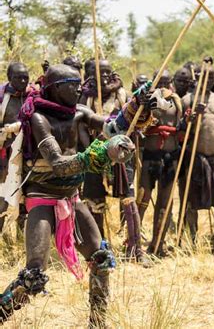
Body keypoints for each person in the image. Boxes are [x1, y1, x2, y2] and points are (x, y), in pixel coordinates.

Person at [0, 64, 157, 326]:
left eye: (79, 84)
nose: (78, 89)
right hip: (42, 197)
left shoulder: (79, 111)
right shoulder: (39, 118)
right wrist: (100, 154)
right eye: (72, 85)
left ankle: (97, 322)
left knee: (101, 258)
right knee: (34, 275)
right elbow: (59, 163)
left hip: (71, 197)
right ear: (55, 89)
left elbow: (112, 128)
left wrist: (136, 107)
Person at [79, 60, 147, 263]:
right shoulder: (85, 98)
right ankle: (99, 247)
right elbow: (81, 125)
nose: (104, 77)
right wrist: (90, 149)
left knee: (128, 199)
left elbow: (135, 120)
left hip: (121, 155)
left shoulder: (123, 95)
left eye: (108, 72)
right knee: (94, 201)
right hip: (95, 155)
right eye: (100, 72)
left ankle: (136, 249)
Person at [181, 63, 214, 254]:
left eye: (212, 76)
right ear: (198, 77)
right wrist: (193, 119)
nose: (209, 79)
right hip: (195, 159)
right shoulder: (188, 100)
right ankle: (192, 242)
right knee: (191, 202)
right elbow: (183, 132)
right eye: (205, 76)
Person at [137, 82, 182, 257]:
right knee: (142, 199)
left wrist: (190, 121)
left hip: (171, 157)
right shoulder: (146, 100)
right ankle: (133, 244)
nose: (163, 85)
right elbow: (137, 123)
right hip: (150, 156)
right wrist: (143, 105)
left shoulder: (176, 102)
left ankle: (158, 245)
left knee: (165, 203)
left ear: (171, 83)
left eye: (166, 81)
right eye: (159, 81)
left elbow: (182, 128)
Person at [0, 63, 37, 233]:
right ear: (9, 78)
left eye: (26, 77)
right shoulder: (2, 97)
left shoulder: (35, 96)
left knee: (27, 194)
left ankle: (24, 237)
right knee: (2, 194)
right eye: (18, 77)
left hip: (30, 153)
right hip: (5, 155)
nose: (23, 81)